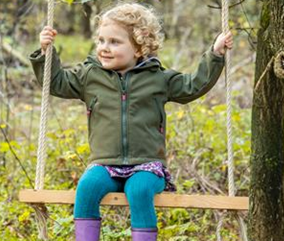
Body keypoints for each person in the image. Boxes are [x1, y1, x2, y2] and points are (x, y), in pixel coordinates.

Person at [30, 2, 233, 240]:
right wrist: (47, 53)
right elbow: (56, 83)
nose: (104, 48)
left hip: (146, 165)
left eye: (115, 42)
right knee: (87, 188)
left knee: (138, 190)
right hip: (105, 164)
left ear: (139, 48)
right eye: (101, 41)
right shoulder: (89, 75)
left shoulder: (157, 78)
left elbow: (192, 85)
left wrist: (215, 54)